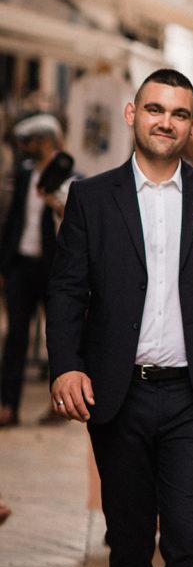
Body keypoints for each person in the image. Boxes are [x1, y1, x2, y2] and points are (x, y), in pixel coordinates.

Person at [46, 68, 193, 567]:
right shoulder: (91, 198)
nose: (165, 122)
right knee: (128, 543)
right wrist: (65, 366)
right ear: (132, 114)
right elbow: (68, 293)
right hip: (119, 395)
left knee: (190, 540)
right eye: (155, 109)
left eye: (179, 113)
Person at [0, 114, 67, 427]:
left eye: (32, 141)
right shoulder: (25, 174)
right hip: (21, 264)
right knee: (15, 336)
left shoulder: (69, 177)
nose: (27, 147)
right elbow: (12, 219)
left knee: (56, 338)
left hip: (52, 269)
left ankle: (59, 406)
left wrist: (54, 201)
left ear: (46, 141)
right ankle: (8, 405)